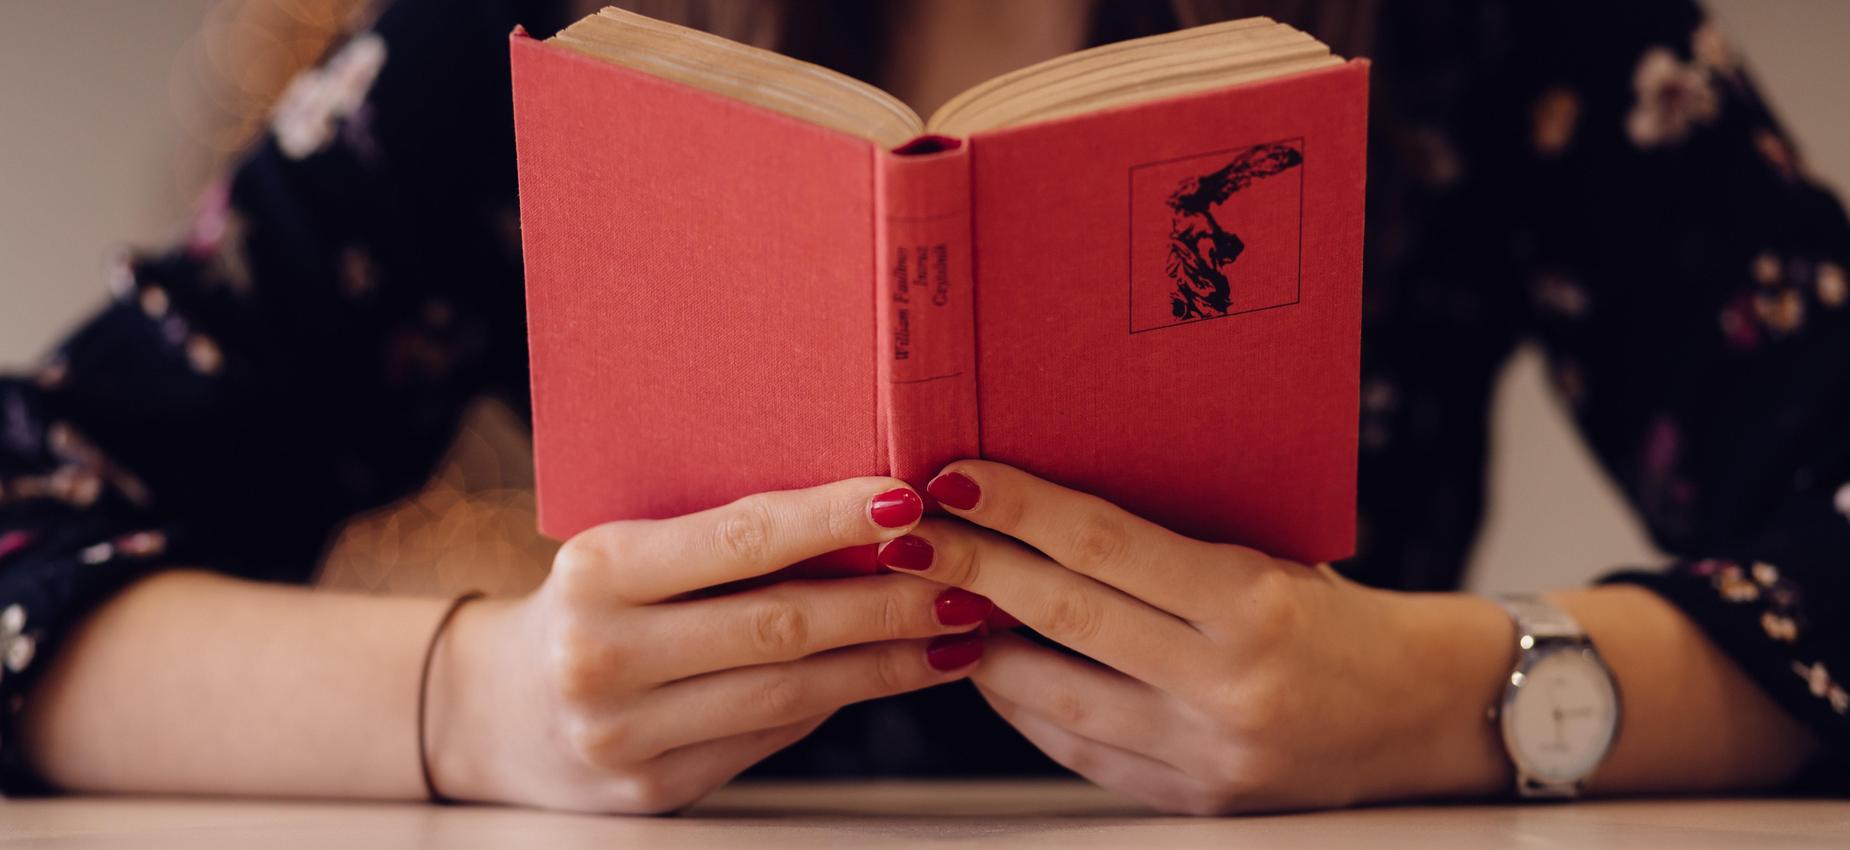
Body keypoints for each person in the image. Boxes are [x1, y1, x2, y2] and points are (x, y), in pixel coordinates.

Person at [0, 0, 1843, 815]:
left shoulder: (1503, 27)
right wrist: (480, 704)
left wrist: (1450, 697)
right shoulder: (536, 42)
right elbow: (27, 511)